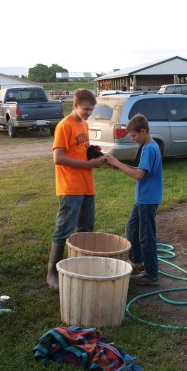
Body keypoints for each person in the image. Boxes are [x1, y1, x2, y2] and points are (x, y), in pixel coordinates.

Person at [47, 89, 105, 289]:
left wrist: (95, 154)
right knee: (64, 229)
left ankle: (82, 266)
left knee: (87, 228)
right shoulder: (64, 126)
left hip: (87, 185)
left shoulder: (84, 124)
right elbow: (58, 158)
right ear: (75, 105)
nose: (88, 113)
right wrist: (89, 165)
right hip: (70, 186)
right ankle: (52, 273)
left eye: (91, 109)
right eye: (85, 109)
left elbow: (81, 150)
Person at [106, 113, 163, 286]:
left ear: (143, 131)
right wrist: (119, 166)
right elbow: (141, 169)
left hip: (148, 200)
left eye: (134, 135)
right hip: (142, 199)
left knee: (146, 237)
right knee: (132, 228)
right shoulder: (147, 146)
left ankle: (151, 274)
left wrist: (119, 163)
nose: (133, 139)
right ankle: (138, 262)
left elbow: (138, 175)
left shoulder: (150, 148)